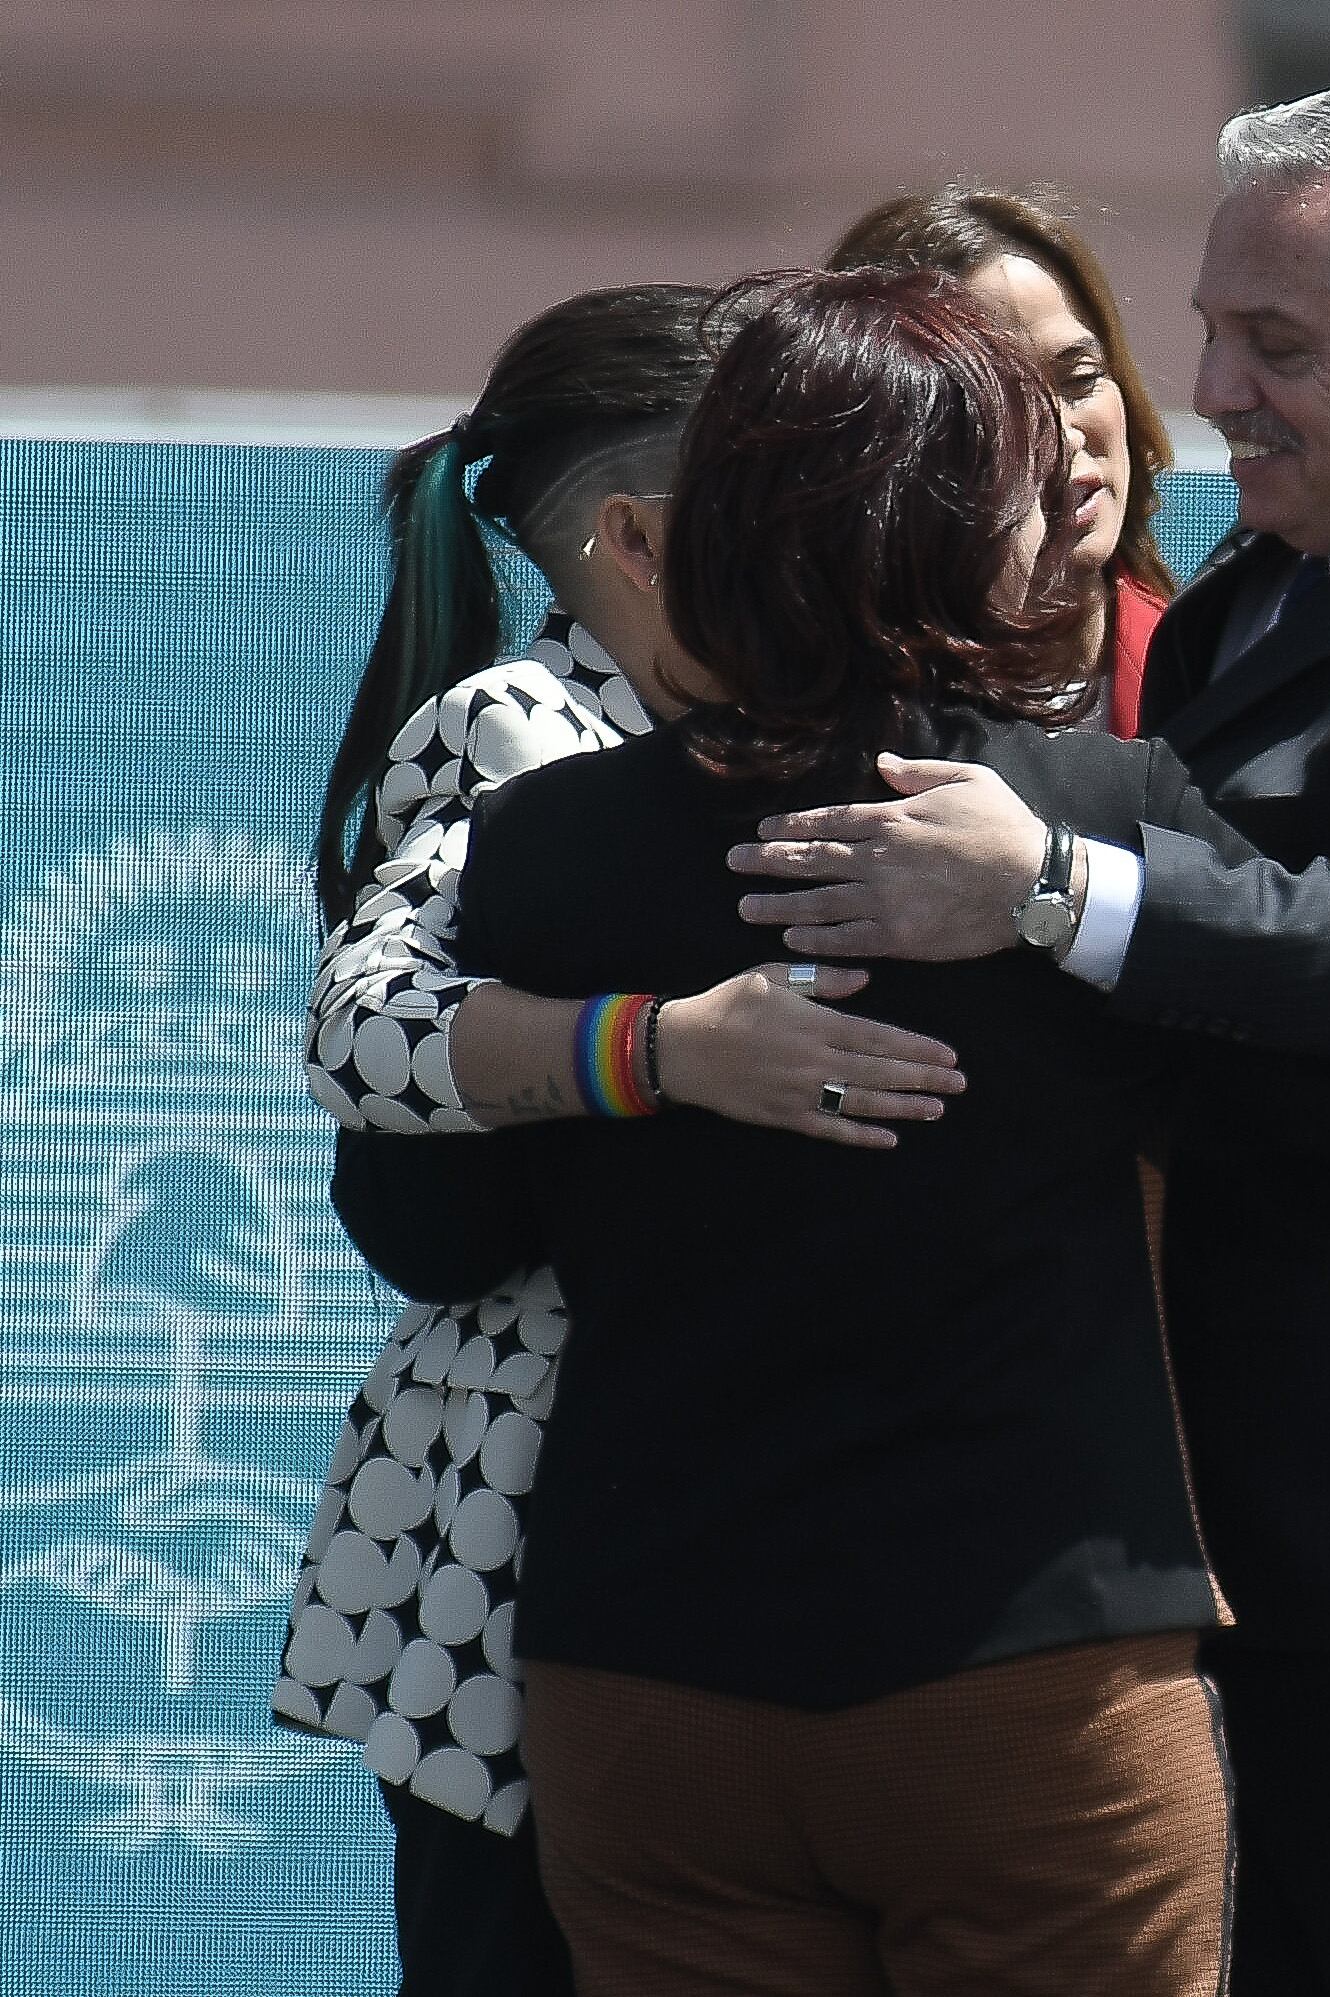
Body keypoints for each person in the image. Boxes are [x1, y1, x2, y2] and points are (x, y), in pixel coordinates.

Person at [435, 265, 1330, 1997]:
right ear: (963, 522)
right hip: (1022, 1680)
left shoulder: (544, 849)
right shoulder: (1095, 814)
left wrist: (646, 1058)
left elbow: (425, 1222)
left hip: (646, 1675)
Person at [282, 283, 964, 1997]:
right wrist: (668, 1050)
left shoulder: (791, 733)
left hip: (721, 1535)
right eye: (791, 504)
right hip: (529, 1556)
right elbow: (362, 1028)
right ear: (646, 538)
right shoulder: (526, 731)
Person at [826, 186, 1178, 733]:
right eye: (999, 406)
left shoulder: (1220, 677)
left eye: (1080, 379)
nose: (1060, 437)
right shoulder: (815, 730)